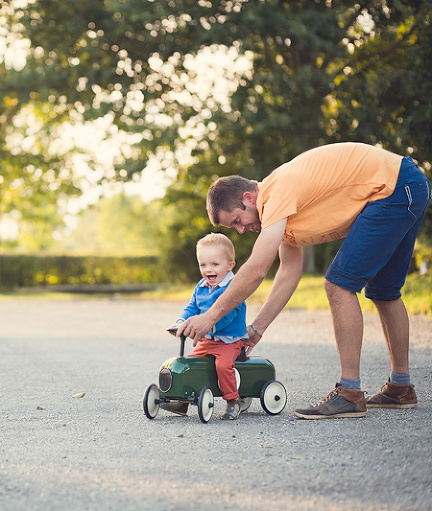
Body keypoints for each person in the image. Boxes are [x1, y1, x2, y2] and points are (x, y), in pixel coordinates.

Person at [177, 142, 430, 420]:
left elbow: (258, 268)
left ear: (248, 198)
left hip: (395, 186)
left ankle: (349, 394)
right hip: (404, 185)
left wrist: (210, 316)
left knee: (338, 284)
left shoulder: (276, 192)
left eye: (238, 220)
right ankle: (400, 389)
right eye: (234, 227)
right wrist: (257, 329)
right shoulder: (280, 211)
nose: (240, 230)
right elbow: (288, 272)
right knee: (384, 291)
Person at [167, 233, 249, 420]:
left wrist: (207, 327)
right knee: (189, 365)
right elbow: (192, 307)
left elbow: (227, 316)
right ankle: (182, 402)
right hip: (207, 341)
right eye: (203, 265)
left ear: (230, 265)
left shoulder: (233, 288)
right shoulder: (201, 286)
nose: (208, 269)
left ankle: (233, 401)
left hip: (229, 341)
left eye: (215, 264)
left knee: (223, 366)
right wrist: (181, 322)